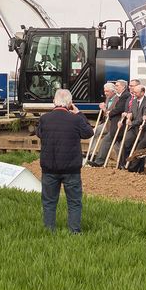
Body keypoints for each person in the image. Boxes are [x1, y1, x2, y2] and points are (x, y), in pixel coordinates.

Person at [37, 88, 92, 233]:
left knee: (49, 201)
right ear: (70, 103)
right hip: (71, 169)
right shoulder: (75, 119)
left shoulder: (44, 119)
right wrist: (79, 113)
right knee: (74, 202)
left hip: (49, 167)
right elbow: (88, 133)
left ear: (54, 101)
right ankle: (74, 231)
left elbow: (39, 134)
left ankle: (49, 230)